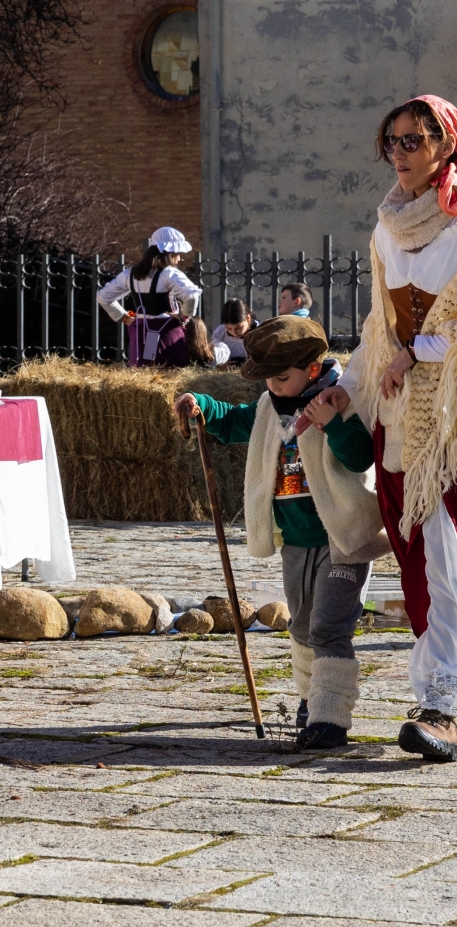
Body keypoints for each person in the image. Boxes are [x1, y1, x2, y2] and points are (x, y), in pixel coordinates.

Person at [303, 95, 457, 763]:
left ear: (447, 143)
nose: (401, 153)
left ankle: (445, 706)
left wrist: (421, 352)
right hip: (404, 421)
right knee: (423, 569)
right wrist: (341, 392)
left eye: (414, 140)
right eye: (393, 142)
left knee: (454, 557)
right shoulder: (387, 228)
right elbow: (381, 332)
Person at [173, 316, 390, 749]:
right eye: (267, 378)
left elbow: (362, 456)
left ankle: (331, 719)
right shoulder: (272, 407)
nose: (273, 386)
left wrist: (332, 422)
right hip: (296, 540)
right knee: (303, 626)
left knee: (330, 626)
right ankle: (312, 702)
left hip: (343, 538)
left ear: (313, 368)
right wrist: (201, 403)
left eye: (282, 377)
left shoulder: (342, 398)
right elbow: (236, 422)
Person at [97, 227, 200, 368]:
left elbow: (103, 296)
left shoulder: (131, 273)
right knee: (170, 373)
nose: (179, 258)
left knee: (144, 372)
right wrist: (185, 316)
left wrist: (124, 317)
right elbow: (192, 294)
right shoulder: (169, 273)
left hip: (141, 331)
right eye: (177, 253)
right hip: (167, 331)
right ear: (170, 254)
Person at [211, 299, 259, 363]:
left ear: (248, 318)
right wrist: (219, 366)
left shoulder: (260, 333)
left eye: (238, 328)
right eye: (229, 328)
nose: (234, 333)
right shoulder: (220, 333)